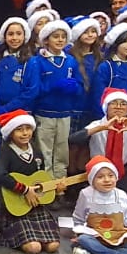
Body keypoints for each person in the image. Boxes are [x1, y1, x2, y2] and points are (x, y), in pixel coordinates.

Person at [20, 19, 81, 185]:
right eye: (56, 36)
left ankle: (60, 186)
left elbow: (80, 85)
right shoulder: (37, 61)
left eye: (63, 36)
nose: (60, 40)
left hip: (65, 113)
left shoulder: (70, 61)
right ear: (46, 40)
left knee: (62, 152)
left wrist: (75, 87)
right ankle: (47, 187)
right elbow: (35, 88)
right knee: (45, 151)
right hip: (45, 113)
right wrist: (53, 87)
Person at [0, 110, 62, 254]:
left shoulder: (36, 151)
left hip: (35, 207)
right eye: (19, 129)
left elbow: (41, 178)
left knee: (53, 246)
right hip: (16, 210)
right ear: (11, 132)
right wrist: (24, 190)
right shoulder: (6, 152)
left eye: (28, 128)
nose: (25, 133)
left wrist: (55, 189)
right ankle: (9, 235)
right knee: (34, 248)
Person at [73, 88, 127, 195]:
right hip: (99, 170)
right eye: (113, 103)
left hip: (123, 170)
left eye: (123, 104)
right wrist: (102, 128)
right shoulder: (97, 125)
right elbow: (73, 139)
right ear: (106, 107)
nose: (118, 107)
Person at [69, 156, 127, 254]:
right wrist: (77, 232)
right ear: (92, 180)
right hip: (96, 236)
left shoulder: (121, 194)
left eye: (111, 176)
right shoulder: (86, 194)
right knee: (84, 239)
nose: (107, 180)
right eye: (100, 177)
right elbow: (78, 217)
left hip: (117, 236)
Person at [0, 17, 31, 117]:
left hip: (20, 111)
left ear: (25, 36)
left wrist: (7, 108)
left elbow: (31, 90)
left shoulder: (31, 61)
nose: (14, 38)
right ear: (4, 36)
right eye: (10, 34)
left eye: (19, 34)